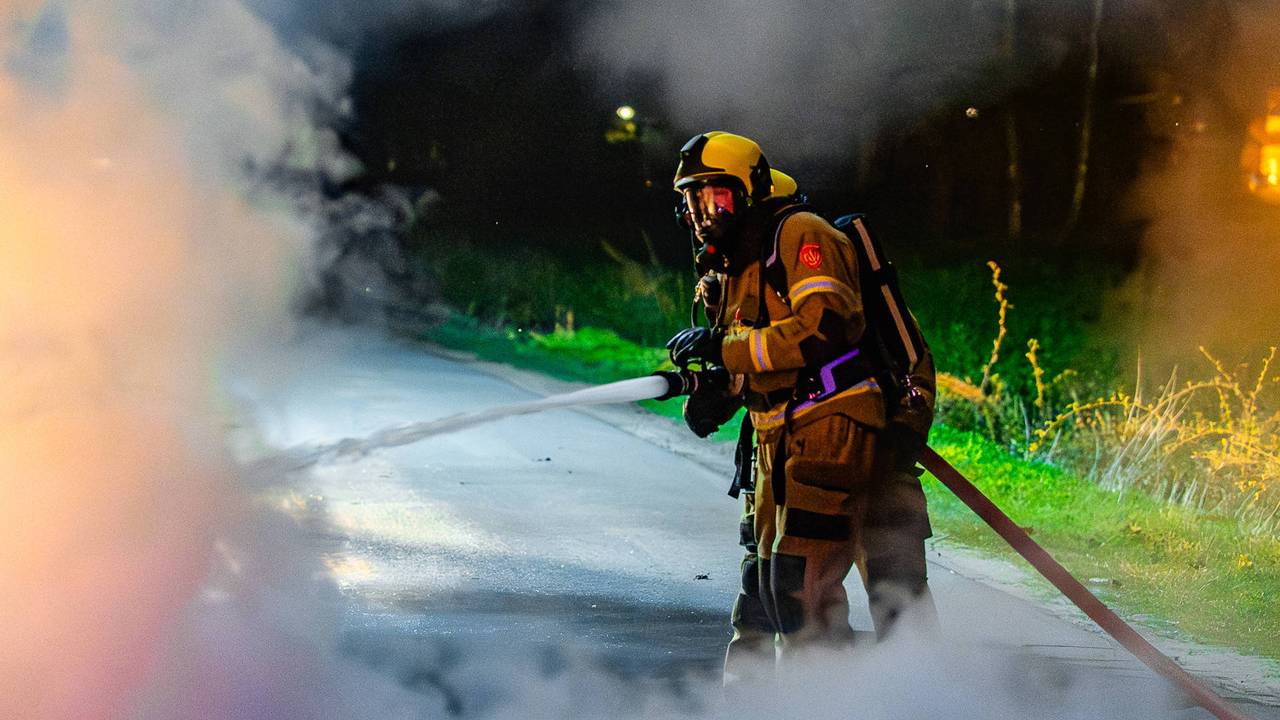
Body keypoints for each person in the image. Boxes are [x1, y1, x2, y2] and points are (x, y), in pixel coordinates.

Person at [665, 131, 939, 683]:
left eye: (715, 196)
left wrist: (724, 347)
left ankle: (859, 697)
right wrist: (717, 393)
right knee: (765, 595)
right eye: (692, 200)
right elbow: (756, 361)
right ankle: (771, 701)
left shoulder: (801, 235)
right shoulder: (731, 267)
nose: (701, 213)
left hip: (832, 427)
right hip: (777, 438)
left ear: (749, 191)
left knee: (798, 587)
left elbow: (823, 333)